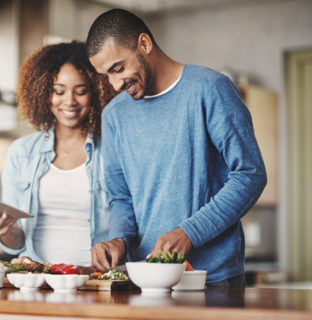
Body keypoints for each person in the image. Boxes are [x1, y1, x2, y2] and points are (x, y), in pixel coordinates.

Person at [85, 9, 267, 286]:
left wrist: (189, 233)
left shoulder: (210, 89)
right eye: (105, 76)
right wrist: (119, 239)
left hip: (212, 279)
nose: (114, 84)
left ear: (144, 44)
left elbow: (250, 174)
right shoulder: (113, 115)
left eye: (118, 68)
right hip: (144, 279)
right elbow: (121, 198)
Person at [0, 41, 114, 267]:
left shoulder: (112, 152)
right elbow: (16, 244)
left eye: (81, 91)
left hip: (94, 281)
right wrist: (8, 230)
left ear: (96, 93)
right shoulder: (22, 153)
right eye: (58, 91)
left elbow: (127, 226)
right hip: (37, 280)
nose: (69, 101)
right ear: (42, 93)